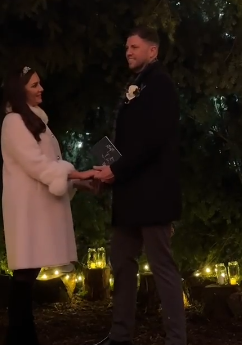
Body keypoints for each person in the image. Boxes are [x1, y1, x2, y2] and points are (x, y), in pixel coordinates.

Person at [91, 27, 186, 345]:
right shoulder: (136, 85)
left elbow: (152, 141)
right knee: (120, 261)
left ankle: (176, 339)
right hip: (129, 192)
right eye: (126, 47)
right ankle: (120, 334)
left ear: (153, 51)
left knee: (162, 266)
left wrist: (115, 169)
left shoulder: (160, 85)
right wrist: (108, 168)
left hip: (153, 193)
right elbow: (130, 139)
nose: (128, 52)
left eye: (134, 46)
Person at [0, 66, 97, 345]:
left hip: (38, 207)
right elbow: (37, 165)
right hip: (27, 209)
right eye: (34, 85)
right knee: (24, 274)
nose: (41, 89)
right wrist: (77, 174)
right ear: (20, 90)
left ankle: (21, 337)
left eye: (40, 84)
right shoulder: (14, 122)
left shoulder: (36, 121)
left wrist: (78, 183)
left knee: (28, 274)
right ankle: (20, 338)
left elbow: (51, 167)